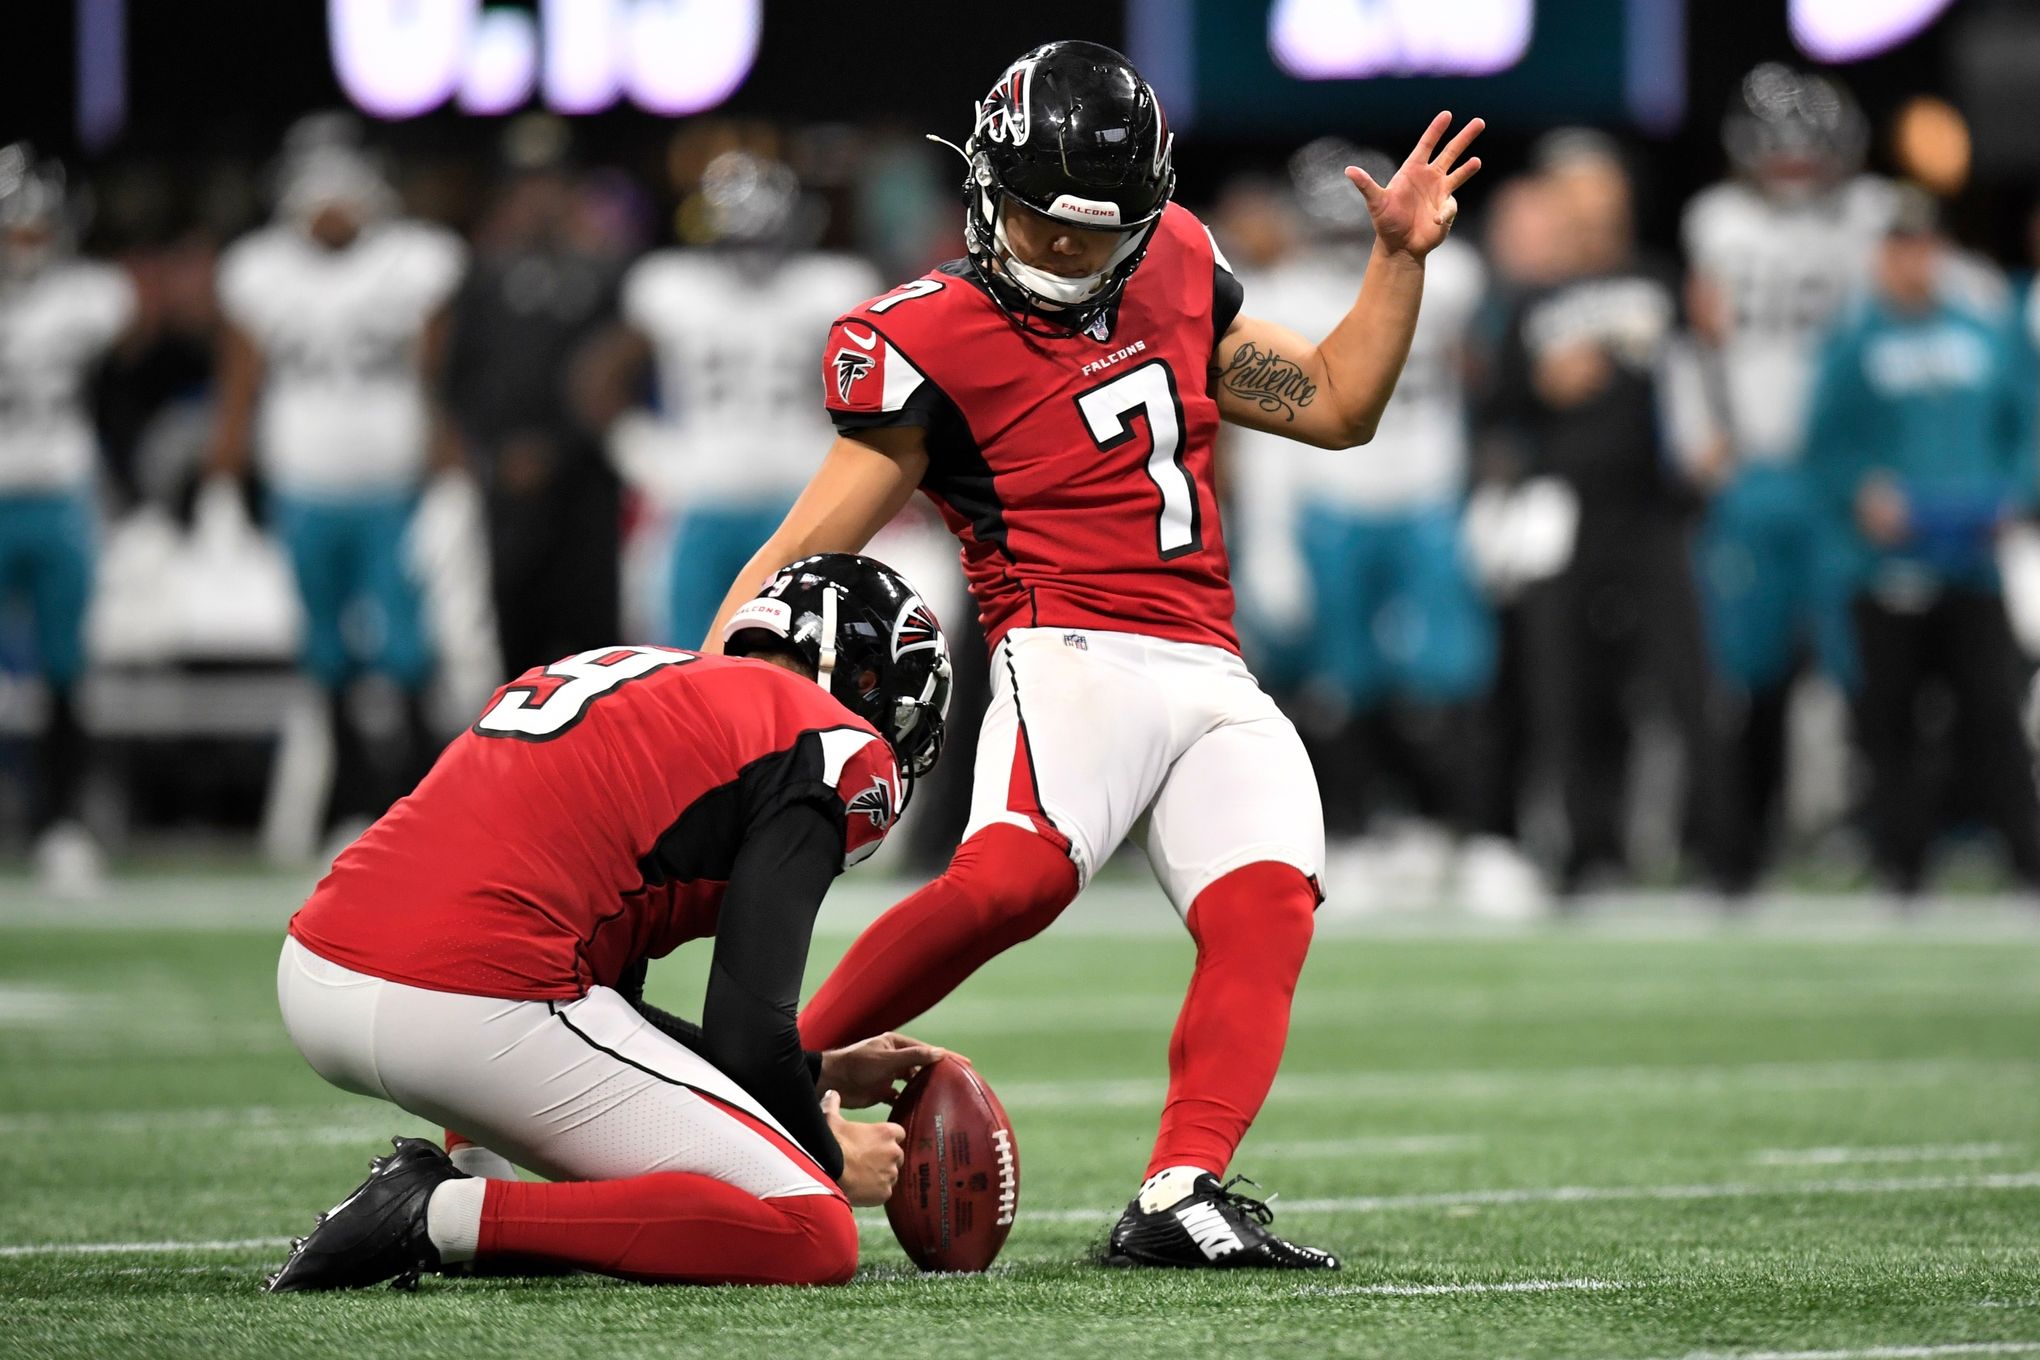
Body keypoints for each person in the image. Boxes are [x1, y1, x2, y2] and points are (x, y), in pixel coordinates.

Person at [703, 41, 1484, 1269]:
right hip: (1064, 645)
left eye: (1096, 229)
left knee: (1270, 898)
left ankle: (1182, 1187)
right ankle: (739, 1074)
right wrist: (702, 697)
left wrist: (1395, 261)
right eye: (1040, 221)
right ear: (984, 182)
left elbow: (1336, 402)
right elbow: (802, 547)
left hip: (1210, 664)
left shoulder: (1176, 258)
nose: (1067, 250)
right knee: (1016, 878)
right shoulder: (929, 336)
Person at [265, 552, 955, 1291]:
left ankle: (474, 1173)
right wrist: (829, 1153)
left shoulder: (640, 674)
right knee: (811, 1230)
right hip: (461, 1001)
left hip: (319, 968)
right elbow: (747, 1034)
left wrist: (818, 1071)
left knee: (563, 991)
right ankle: (437, 1214)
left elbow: (606, 1007)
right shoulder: (832, 745)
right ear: (871, 684)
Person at [1231, 139, 1539, 918]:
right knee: (1340, 690)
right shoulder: (1278, 293)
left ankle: (1479, 838)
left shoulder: (1453, 277)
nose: (1344, 248)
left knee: (1454, 683)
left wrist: (1497, 490)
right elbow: (1266, 433)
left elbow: (1491, 388)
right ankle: (1363, 834)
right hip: (1330, 504)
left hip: (1428, 494)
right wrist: (1269, 539)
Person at [1487, 131, 1739, 894]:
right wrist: (1542, 386)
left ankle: (1724, 853)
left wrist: (1710, 445)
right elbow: (1494, 413)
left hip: (1654, 510)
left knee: (1687, 683)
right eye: (1580, 201)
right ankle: (1587, 851)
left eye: (1606, 199)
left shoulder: (1661, 283)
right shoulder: (1532, 301)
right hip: (1564, 512)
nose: (1595, 216)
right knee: (1565, 689)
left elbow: (1703, 392)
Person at [207, 122, 467, 832]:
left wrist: (449, 472)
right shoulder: (259, 269)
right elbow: (239, 384)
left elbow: (438, 379)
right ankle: (354, 798)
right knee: (324, 651)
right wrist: (221, 481)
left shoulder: (415, 259)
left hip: (393, 483)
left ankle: (425, 797)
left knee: (407, 650)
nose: (331, 212)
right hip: (302, 480)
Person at [1682, 64, 1893, 878]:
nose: (1798, 168)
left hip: (1846, 475)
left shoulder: (1875, 219)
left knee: (1865, 663)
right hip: (1758, 468)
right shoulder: (1719, 222)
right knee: (1747, 668)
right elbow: (1700, 342)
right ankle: (1742, 844)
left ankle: (1879, 832)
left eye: (1811, 152)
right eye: (1783, 152)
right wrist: (1708, 442)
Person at [1804, 190, 2040, 896]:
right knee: (1891, 720)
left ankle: (2026, 859)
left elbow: (2026, 424)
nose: (1913, 261)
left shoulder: (1984, 331)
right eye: (1899, 247)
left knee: (1992, 715)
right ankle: (1902, 867)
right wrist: (1862, 494)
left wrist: (2014, 493)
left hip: (1972, 561)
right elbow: (1823, 449)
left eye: (1923, 246)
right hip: (1887, 566)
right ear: (1883, 256)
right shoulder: (1852, 345)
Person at [595, 148, 878, 647]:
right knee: (682, 651)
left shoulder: (828, 284)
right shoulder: (669, 286)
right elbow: (595, 382)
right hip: (699, 496)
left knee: (805, 646)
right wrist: (645, 454)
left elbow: (881, 385)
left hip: (801, 493)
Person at [442, 116, 625, 679]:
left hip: (585, 480)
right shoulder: (481, 276)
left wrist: (558, 449)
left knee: (594, 647)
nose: (540, 197)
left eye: (552, 183)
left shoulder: (606, 273)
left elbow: (614, 383)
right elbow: (458, 377)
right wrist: (496, 449)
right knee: (517, 639)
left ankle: (601, 767)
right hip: (509, 484)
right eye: (527, 184)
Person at [0, 143, 136, 895]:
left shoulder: (88, 295)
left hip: (58, 493)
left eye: (32, 227)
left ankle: (62, 824)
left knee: (63, 669)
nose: (23, 242)